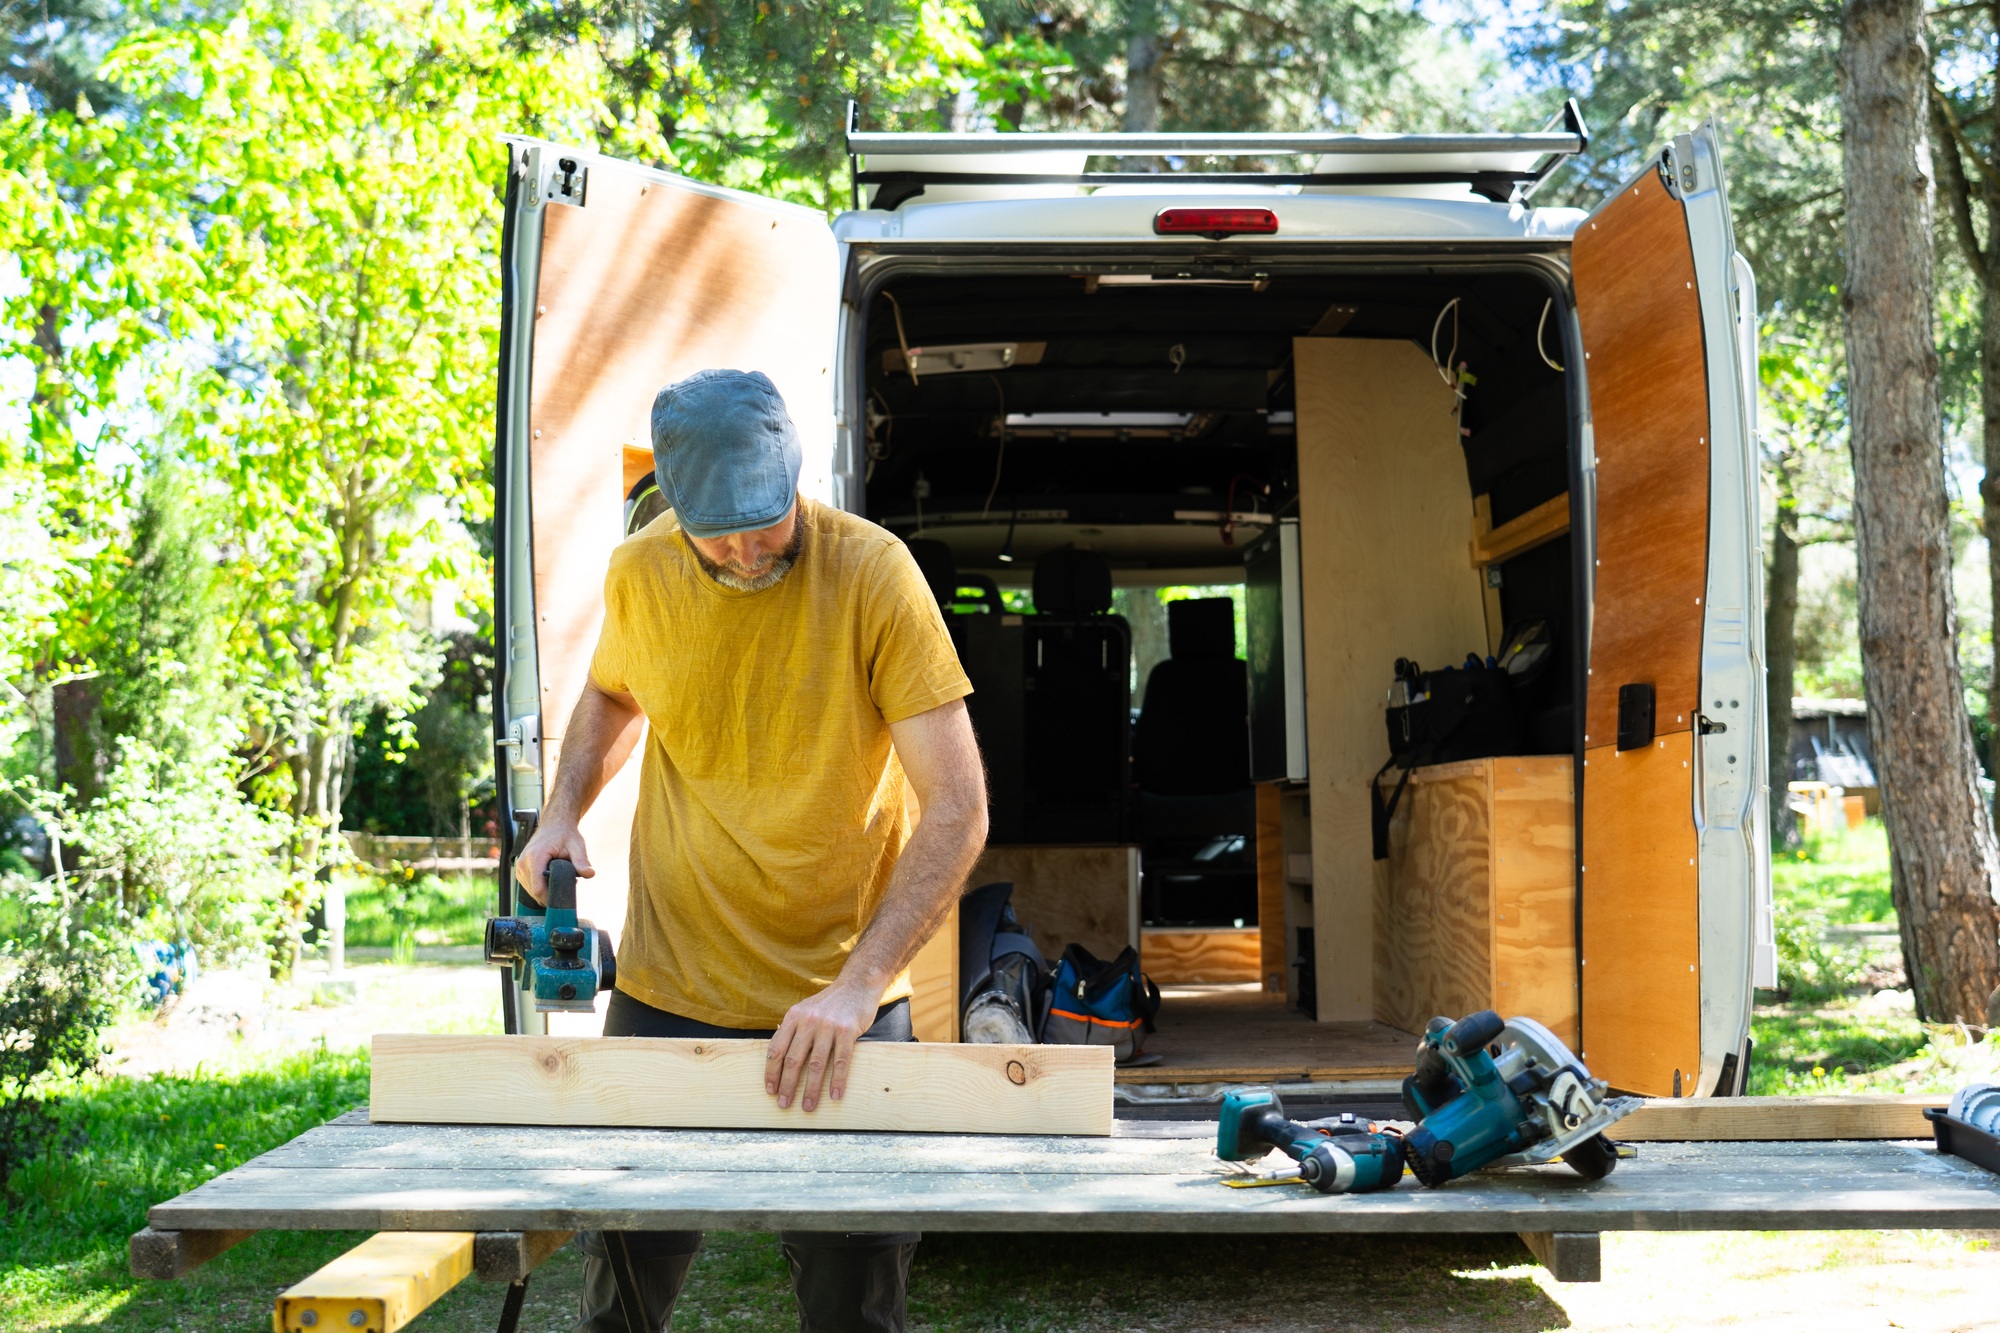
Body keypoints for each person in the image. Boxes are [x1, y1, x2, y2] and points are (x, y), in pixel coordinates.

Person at [513, 368, 987, 1333]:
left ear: (796, 473)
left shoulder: (873, 572)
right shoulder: (640, 570)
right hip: (669, 981)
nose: (744, 548)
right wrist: (562, 810)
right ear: (673, 503)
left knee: (854, 1303)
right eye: (717, 529)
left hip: (839, 999)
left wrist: (859, 987)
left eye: (765, 520)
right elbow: (612, 692)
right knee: (621, 1296)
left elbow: (958, 809)